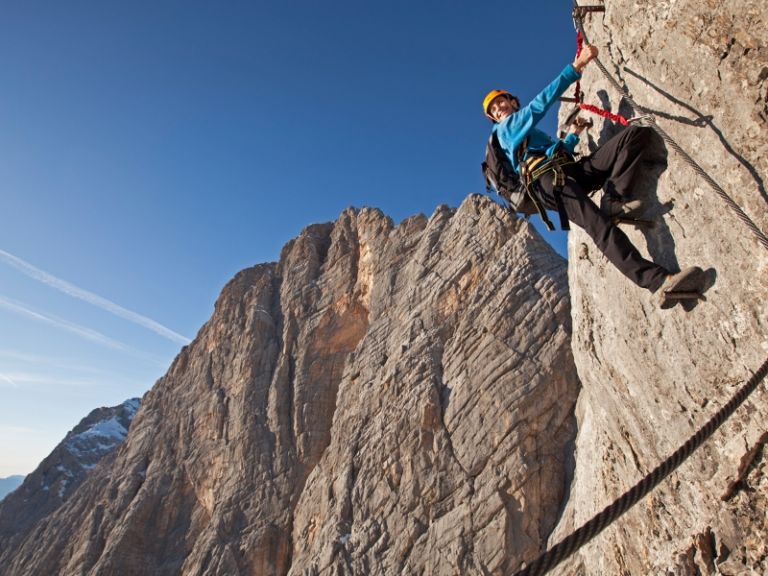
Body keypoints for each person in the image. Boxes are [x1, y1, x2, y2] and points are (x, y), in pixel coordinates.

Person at [482, 44, 707, 308]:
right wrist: (576, 67)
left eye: (501, 102)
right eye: (494, 109)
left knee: (635, 135)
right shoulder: (506, 130)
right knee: (599, 227)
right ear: (495, 118)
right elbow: (537, 107)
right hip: (549, 184)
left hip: (568, 172)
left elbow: (557, 153)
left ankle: (614, 200)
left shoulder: (528, 136)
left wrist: (574, 135)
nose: (499, 108)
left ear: (511, 101)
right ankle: (658, 281)